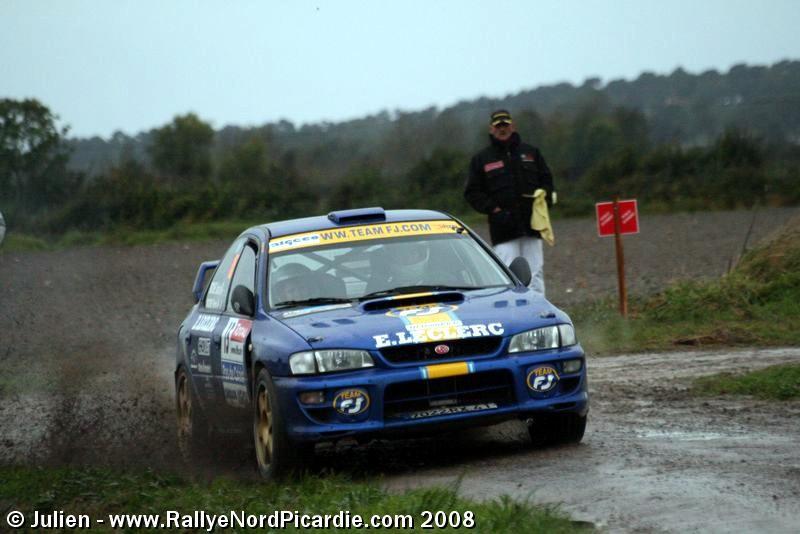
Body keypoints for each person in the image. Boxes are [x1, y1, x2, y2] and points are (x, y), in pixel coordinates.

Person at [464, 109, 555, 296]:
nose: (502, 129)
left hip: (532, 226)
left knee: (535, 273)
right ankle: (514, 314)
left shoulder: (531, 153)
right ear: (491, 129)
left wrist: (543, 201)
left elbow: (547, 182)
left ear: (512, 126)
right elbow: (472, 193)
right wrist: (494, 210)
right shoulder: (482, 159)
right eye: (498, 126)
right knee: (508, 274)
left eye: (505, 125)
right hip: (503, 229)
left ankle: (539, 312)